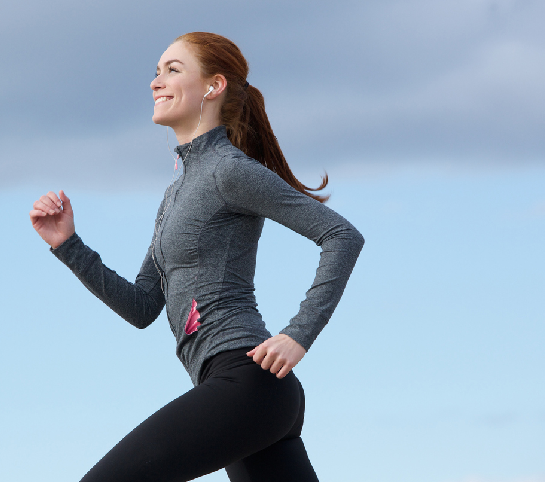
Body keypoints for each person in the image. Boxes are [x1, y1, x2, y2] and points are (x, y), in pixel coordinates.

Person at [29, 32, 364, 482]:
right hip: (241, 392)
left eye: (173, 69)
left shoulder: (228, 170)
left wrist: (298, 334)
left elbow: (341, 235)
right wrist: (68, 246)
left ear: (213, 86)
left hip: (247, 382)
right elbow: (143, 306)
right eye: (156, 71)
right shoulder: (175, 195)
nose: (156, 81)